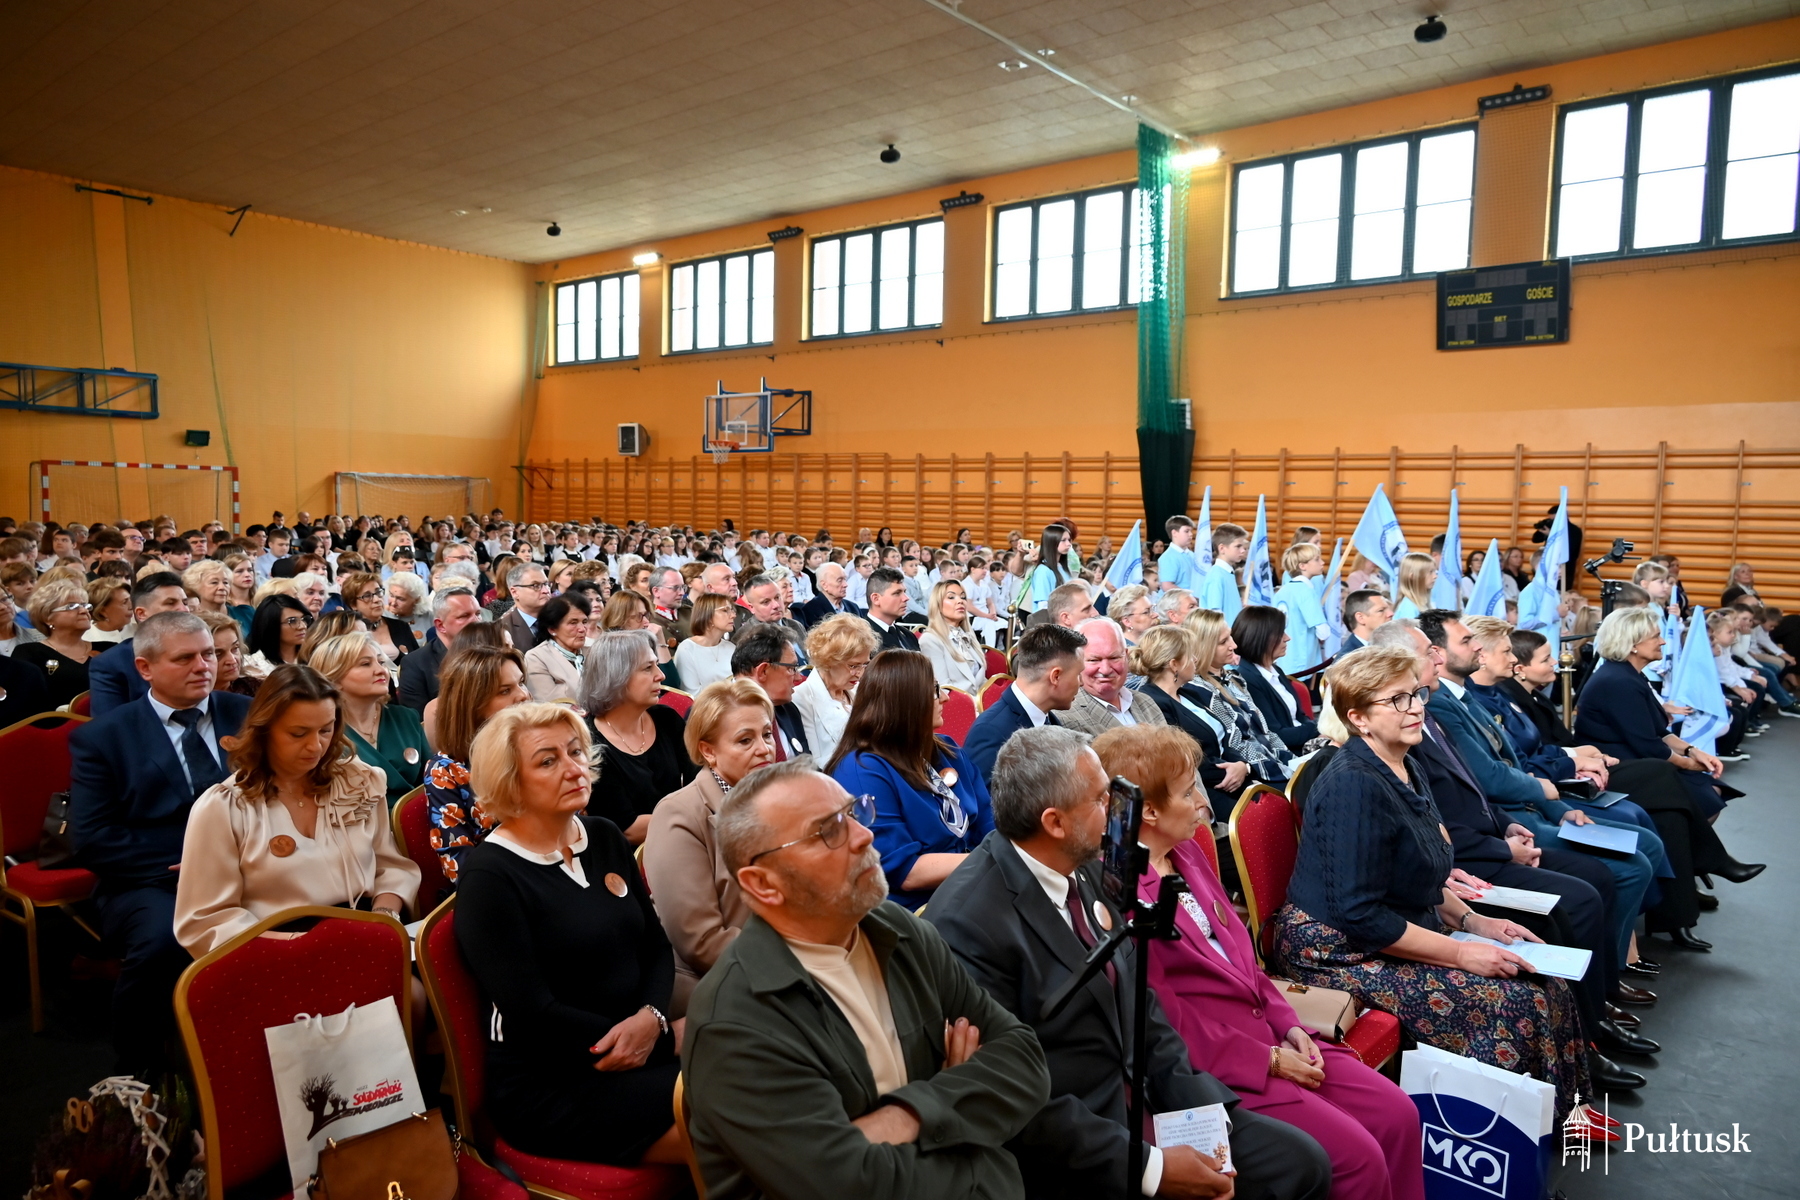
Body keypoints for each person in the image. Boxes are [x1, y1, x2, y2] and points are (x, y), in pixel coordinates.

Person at [927, 726, 1332, 1200]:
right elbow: (1012, 1094)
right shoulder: (967, 924)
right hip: (1082, 1140)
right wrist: (1152, 1168)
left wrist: (1202, 1116)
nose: (1122, 812)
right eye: (1104, 800)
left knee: (1302, 1164)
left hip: (1149, 1099)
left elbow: (1143, 1005)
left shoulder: (1080, 864)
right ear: (1055, 822)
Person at [683, 759, 1048, 1200]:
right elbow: (847, 1184)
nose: (864, 836)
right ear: (763, 884)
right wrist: (970, 1131)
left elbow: (1024, 1060)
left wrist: (907, 1114)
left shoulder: (895, 928)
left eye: (854, 813)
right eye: (829, 831)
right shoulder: (736, 1020)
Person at [1091, 724, 1426, 1200]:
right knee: (1356, 1158)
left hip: (1269, 1030)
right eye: (1189, 793)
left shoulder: (1185, 851)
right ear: (1148, 812)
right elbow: (1163, 1020)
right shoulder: (1121, 893)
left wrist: (1289, 1025)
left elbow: (1245, 959)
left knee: (1397, 1114)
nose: (1203, 804)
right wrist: (1267, 1058)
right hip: (1217, 1065)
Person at [1273, 646, 1594, 1122]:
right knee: (1515, 1004)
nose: (1417, 707)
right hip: (1336, 949)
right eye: (1398, 700)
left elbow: (1422, 870)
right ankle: (1502, 1157)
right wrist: (1463, 952)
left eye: (1417, 694)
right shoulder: (1354, 784)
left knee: (1547, 982)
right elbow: (1358, 913)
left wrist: (1474, 922)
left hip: (1392, 926)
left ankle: (1563, 1121)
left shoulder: (1405, 762)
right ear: (1358, 718)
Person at [1366, 620, 1654, 1085]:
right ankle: (1581, 1036)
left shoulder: (1427, 716)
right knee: (1577, 898)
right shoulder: (1397, 737)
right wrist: (1497, 854)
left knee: (1594, 881)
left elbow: (1474, 791)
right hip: (1470, 860)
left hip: (1483, 844)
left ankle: (1591, 1020)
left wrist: (1507, 825)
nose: (1439, 658)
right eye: (1429, 653)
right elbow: (1430, 836)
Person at [454, 704, 687, 1167]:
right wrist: (650, 1037)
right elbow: (534, 1013)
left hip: (636, 1046)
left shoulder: (603, 837)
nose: (574, 768)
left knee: (759, 1070)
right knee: (735, 1101)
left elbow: (656, 946)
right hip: (553, 1079)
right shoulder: (489, 875)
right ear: (509, 780)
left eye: (576, 751)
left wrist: (653, 1017)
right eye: (548, 760)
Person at [1418, 610, 1662, 981]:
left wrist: (1559, 807)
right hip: (1507, 820)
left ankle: (1613, 967)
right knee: (1624, 868)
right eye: (1467, 641)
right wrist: (1545, 791)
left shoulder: (1463, 699)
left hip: (1519, 813)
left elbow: (1510, 761)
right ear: (1435, 653)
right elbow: (1489, 779)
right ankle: (1608, 972)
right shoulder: (1438, 706)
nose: (1479, 648)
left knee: (1639, 841)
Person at [70, 612, 251, 1071]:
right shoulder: (104, 736)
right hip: (151, 878)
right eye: (185, 658)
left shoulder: (247, 715)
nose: (204, 666)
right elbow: (92, 838)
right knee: (163, 943)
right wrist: (192, 863)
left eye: (210, 653)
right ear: (145, 668)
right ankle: (141, 1074)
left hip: (253, 862)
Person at [172, 664, 420, 955]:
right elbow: (206, 920)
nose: (316, 746)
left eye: (326, 730)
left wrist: (385, 917)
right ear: (264, 731)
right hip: (276, 947)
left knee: (415, 995)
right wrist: (304, 947)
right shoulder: (225, 806)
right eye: (298, 733)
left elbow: (389, 866)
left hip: (365, 928)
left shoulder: (357, 781)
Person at [644, 678, 775, 1012]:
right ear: (708, 751)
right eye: (746, 740)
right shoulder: (679, 814)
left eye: (767, 734)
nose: (764, 748)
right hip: (719, 985)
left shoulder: (780, 796)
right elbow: (702, 943)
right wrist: (801, 953)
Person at [828, 651, 993, 910]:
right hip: (920, 910)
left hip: (974, 886)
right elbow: (905, 871)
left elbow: (988, 821)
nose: (946, 698)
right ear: (907, 701)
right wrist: (996, 858)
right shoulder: (862, 770)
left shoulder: (947, 750)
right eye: (935, 690)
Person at [1575, 604, 1734, 823]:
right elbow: (1648, 743)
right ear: (1633, 645)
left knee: (1710, 790)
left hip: (1637, 757)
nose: (1663, 641)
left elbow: (1659, 731)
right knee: (1703, 796)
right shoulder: (1618, 682)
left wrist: (1692, 751)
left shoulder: (1629, 675)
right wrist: (1689, 763)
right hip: (1614, 765)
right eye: (1656, 636)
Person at [425, 642, 531, 887]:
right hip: (502, 888)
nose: (523, 695)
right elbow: (459, 865)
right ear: (473, 704)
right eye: (505, 691)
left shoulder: (539, 749)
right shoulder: (447, 770)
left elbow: (575, 820)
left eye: (521, 683)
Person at [582, 629, 697, 845]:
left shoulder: (666, 719)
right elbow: (628, 829)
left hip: (685, 840)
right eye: (647, 668)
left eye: (656, 664)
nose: (660, 675)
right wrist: (693, 816)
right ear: (615, 677)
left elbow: (700, 781)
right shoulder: (588, 741)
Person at [1132, 624, 1251, 810]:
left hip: (1233, 775)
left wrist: (1242, 765)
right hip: (1207, 789)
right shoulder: (1153, 702)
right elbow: (1186, 759)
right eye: (1190, 655)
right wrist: (1233, 772)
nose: (1195, 659)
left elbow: (1224, 736)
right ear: (1174, 665)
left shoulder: (1189, 692)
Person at [310, 632, 431, 805]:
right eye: (366, 664)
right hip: (356, 826)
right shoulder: (323, 731)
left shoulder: (405, 717)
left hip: (417, 822)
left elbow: (431, 782)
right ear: (334, 678)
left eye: (381, 662)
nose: (381, 670)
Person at [1184, 608, 1297, 785]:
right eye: (1223, 642)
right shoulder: (1199, 690)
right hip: (1256, 774)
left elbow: (1266, 732)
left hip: (1274, 764)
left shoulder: (1234, 678)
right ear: (1203, 647)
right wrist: (1283, 771)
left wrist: (1293, 761)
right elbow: (1236, 743)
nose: (1234, 645)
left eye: (1230, 637)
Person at [963, 624, 1085, 784]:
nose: (1081, 683)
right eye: (1078, 674)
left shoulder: (1050, 719)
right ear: (1055, 676)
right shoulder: (991, 732)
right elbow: (984, 805)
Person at [86, 571, 191, 714]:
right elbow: (109, 726)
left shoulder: (206, 651)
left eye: (185, 602)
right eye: (170, 603)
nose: (184, 610)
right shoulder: (112, 663)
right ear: (141, 614)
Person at [1055, 618, 1166, 737]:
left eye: (1114, 658)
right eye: (1094, 660)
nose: (1105, 669)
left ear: (1126, 656)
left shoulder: (1145, 702)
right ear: (1076, 661)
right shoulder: (1065, 717)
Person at [1231, 606, 1318, 751]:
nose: (1287, 638)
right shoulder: (1247, 679)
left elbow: (1300, 717)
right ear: (1261, 638)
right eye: (1280, 633)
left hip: (1304, 744)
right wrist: (1319, 729)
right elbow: (1276, 735)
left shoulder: (1275, 670)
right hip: (1287, 754)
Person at [795, 613, 879, 763]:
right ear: (829, 660)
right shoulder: (801, 698)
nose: (860, 674)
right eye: (853, 666)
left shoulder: (860, 690)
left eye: (864, 664)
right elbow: (814, 761)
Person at [730, 624, 810, 759]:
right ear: (763, 671)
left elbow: (807, 766)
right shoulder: (716, 714)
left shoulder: (789, 710)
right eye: (792, 668)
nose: (798, 677)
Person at [398, 586, 481, 712]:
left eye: (478, 614)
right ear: (441, 625)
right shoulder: (416, 664)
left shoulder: (495, 651)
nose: (477, 621)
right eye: (464, 616)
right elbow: (418, 722)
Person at [16, 579, 95, 708]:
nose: (83, 611)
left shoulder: (109, 648)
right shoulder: (30, 653)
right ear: (47, 617)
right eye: (72, 606)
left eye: (85, 605)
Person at [522, 593, 593, 705]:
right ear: (552, 629)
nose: (582, 629)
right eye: (573, 623)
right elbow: (549, 704)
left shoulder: (594, 650)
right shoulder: (536, 658)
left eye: (584, 622)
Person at [917, 579, 985, 694]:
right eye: (951, 597)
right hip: (957, 707)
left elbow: (980, 681)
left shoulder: (967, 635)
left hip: (980, 704)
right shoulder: (930, 640)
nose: (960, 601)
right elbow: (943, 689)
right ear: (937, 604)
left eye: (963, 597)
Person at [340, 570, 418, 666]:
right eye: (367, 596)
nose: (377, 599)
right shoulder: (347, 631)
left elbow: (418, 661)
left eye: (378, 592)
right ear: (353, 604)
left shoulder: (401, 626)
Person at [1273, 543, 1329, 675]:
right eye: (1316, 559)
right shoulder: (1306, 591)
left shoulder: (1282, 591)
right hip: (1304, 662)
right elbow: (1323, 632)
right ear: (1302, 566)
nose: (1322, 562)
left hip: (1283, 660)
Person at [674, 593, 737, 691]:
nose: (733, 615)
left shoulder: (731, 647)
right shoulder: (687, 649)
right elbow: (691, 693)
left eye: (732, 610)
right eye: (725, 610)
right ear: (708, 615)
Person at [1197, 523, 1249, 624]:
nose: (1243, 550)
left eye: (1243, 546)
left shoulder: (1227, 573)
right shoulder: (1217, 575)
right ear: (1222, 548)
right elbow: (1215, 614)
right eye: (1238, 546)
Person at [862, 566, 920, 652]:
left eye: (904, 592)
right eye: (897, 593)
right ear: (876, 599)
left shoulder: (908, 635)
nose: (906, 598)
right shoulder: (861, 638)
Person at [498, 562, 552, 649]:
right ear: (514, 592)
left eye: (546, 584)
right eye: (535, 586)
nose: (545, 590)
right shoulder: (501, 629)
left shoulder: (561, 619)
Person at [1156, 514, 1203, 594]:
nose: (1191, 534)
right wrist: (1191, 595)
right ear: (1174, 533)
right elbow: (1167, 586)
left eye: (1191, 531)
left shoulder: (1192, 555)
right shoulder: (1168, 557)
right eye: (1186, 531)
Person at [1338, 590, 1391, 654]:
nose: (1390, 613)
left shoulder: (1386, 645)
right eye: (1381, 610)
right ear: (1360, 618)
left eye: (1389, 609)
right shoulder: (1349, 659)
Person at [84, 578, 133, 647]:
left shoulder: (140, 627)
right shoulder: (85, 639)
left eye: (130, 599)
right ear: (102, 611)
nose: (131, 606)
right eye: (124, 602)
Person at [1390, 552, 1436, 620]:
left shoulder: (1422, 604)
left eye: (1435, 571)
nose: (1435, 576)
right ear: (1413, 576)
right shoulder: (1408, 607)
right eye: (1430, 572)